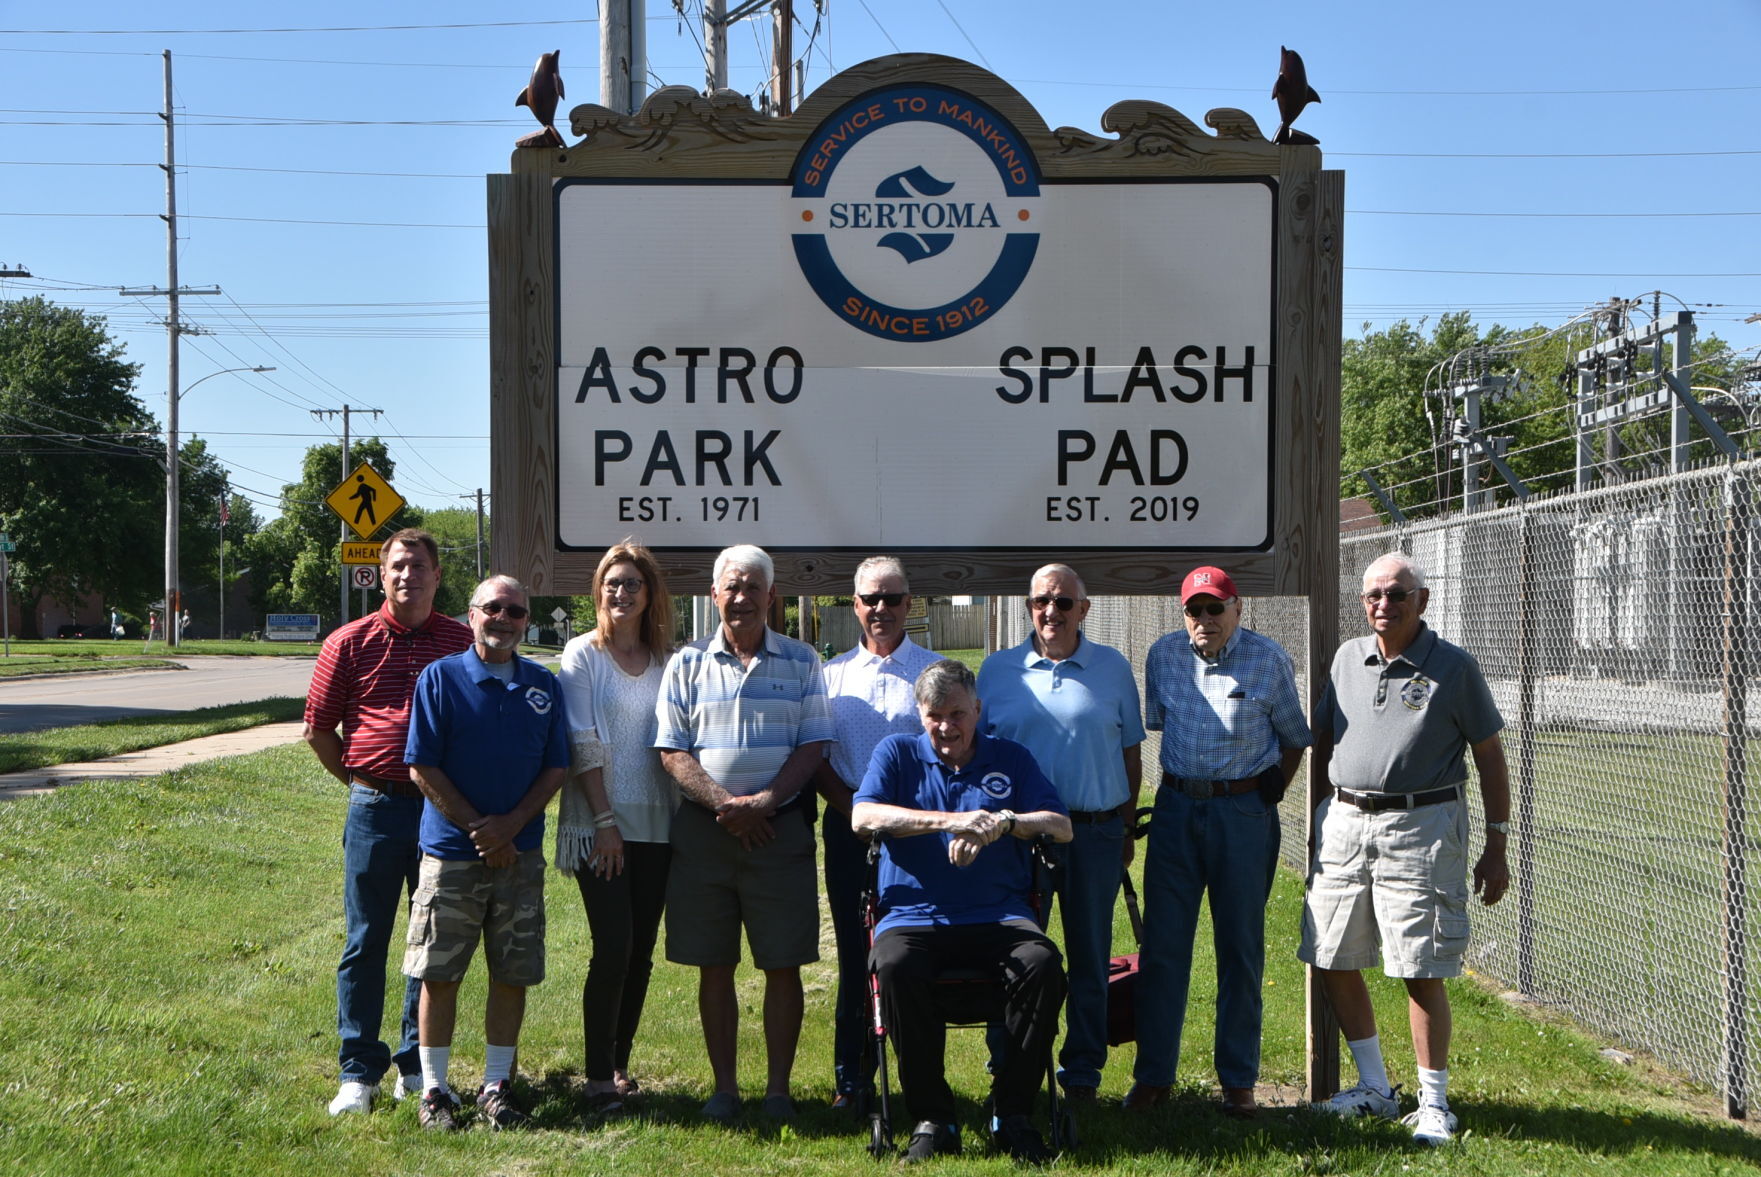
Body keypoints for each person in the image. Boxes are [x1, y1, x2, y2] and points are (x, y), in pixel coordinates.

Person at [1302, 552, 1511, 1147]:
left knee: (1419, 965)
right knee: (1331, 951)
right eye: (1373, 595)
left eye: (1397, 594)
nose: (1383, 605)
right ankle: (1374, 1088)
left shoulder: (1454, 669)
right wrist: (1322, 816)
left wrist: (1496, 844)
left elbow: (1490, 756)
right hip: (1345, 821)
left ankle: (1434, 1102)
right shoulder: (1347, 659)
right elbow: (1325, 741)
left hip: (1422, 828)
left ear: (1422, 600)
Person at [854, 658, 1073, 1164]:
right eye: (935, 716)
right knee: (893, 965)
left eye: (957, 713)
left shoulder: (1010, 758)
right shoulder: (898, 753)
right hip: (913, 917)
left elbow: (1061, 825)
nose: (946, 727)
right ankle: (934, 1116)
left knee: (1041, 964)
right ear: (920, 713)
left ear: (977, 709)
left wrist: (1004, 821)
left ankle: (1012, 1113)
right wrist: (950, 822)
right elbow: (863, 817)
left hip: (999, 916)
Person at [654, 543, 835, 1121]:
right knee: (714, 963)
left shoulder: (802, 660)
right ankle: (724, 1088)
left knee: (782, 962)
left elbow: (813, 745)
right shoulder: (685, 664)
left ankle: (778, 1091)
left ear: (771, 595)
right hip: (707, 834)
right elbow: (673, 752)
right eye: (731, 586)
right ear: (714, 596)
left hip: (778, 831)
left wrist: (765, 802)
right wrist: (728, 805)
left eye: (753, 586)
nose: (741, 597)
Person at [1124, 566, 1311, 1118]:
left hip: (1242, 812)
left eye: (1215, 608)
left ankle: (1238, 1080)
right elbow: (1158, 722)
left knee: (1241, 948)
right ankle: (1154, 1075)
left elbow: (1295, 737)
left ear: (1237, 608)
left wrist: (1272, 789)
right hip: (1178, 809)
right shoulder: (1163, 656)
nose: (1204, 619)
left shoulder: (1268, 657)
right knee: (1163, 948)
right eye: (1194, 609)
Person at [303, 528, 472, 1116]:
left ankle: (414, 1064)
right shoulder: (348, 642)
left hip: (439, 811)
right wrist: (359, 783)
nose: (408, 576)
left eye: (419, 567)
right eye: (398, 566)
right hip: (374, 806)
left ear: (437, 575)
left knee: (427, 938)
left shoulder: (462, 641)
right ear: (381, 573)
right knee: (366, 938)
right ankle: (358, 1070)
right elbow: (319, 730)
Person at [402, 574, 571, 1131]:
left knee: (512, 974)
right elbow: (422, 765)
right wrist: (480, 828)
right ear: (471, 614)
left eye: (515, 611)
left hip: (520, 856)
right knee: (440, 974)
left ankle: (497, 1087)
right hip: (452, 853)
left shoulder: (543, 684)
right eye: (492, 608)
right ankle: (434, 1091)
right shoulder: (441, 678)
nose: (503, 618)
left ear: (527, 621)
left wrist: (513, 826)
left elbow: (556, 766)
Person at [975, 563, 1144, 1104]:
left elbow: (1130, 755)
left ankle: (1082, 1075)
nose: (1051, 612)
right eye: (1040, 601)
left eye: (1064, 603)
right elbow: (976, 756)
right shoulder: (997, 672)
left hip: (1092, 835)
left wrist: (1123, 828)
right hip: (1017, 839)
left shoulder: (1113, 669)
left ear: (1084, 610)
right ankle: (1012, 1066)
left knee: (1090, 957)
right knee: (1013, 957)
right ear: (1028, 607)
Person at [813, 556, 942, 1111]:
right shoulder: (831, 676)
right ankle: (852, 1078)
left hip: (920, 838)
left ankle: (918, 1077)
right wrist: (854, 814)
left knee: (916, 954)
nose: (881, 609)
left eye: (892, 599)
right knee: (855, 954)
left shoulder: (935, 673)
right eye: (870, 599)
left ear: (910, 604)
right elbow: (815, 758)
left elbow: (954, 755)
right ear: (855, 604)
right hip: (849, 834)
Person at [555, 540, 677, 1111]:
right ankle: (598, 1075)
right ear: (598, 592)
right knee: (613, 946)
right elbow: (581, 739)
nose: (620, 592)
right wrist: (604, 821)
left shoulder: (666, 660)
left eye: (631, 583)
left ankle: (620, 1061)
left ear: (650, 593)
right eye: (611, 583)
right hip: (600, 823)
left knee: (642, 950)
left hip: (658, 824)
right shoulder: (583, 654)